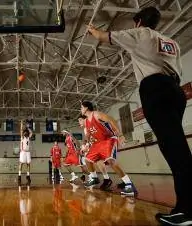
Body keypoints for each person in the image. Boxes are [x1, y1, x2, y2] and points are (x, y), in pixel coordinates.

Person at [87, 6, 192, 224]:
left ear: (138, 22)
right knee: (174, 145)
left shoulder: (139, 33)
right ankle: (185, 206)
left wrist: (92, 29)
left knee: (175, 149)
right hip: (175, 90)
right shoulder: (171, 42)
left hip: (155, 89)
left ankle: (188, 210)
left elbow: (103, 36)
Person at [80, 101, 137, 196]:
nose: (80, 109)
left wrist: (120, 135)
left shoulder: (96, 114)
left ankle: (129, 184)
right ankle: (94, 178)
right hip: (97, 143)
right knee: (87, 160)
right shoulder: (86, 121)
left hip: (108, 140)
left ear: (86, 108)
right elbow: (88, 134)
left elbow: (111, 120)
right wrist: (84, 143)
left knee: (111, 161)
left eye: (81, 107)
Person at [78, 115, 113, 191]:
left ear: (85, 119)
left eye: (80, 120)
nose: (79, 122)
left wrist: (86, 145)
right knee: (98, 161)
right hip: (97, 144)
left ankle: (126, 182)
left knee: (110, 162)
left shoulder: (92, 123)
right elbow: (88, 138)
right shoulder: (86, 128)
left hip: (106, 142)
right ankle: (106, 179)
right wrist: (85, 145)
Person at [18, 120, 33, 185]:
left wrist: (28, 128)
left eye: (26, 133)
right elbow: (21, 130)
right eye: (24, 133)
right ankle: (19, 176)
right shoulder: (22, 137)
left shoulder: (28, 138)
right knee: (21, 163)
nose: (25, 133)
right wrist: (21, 123)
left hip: (28, 152)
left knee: (28, 164)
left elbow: (31, 132)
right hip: (23, 152)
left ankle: (28, 176)